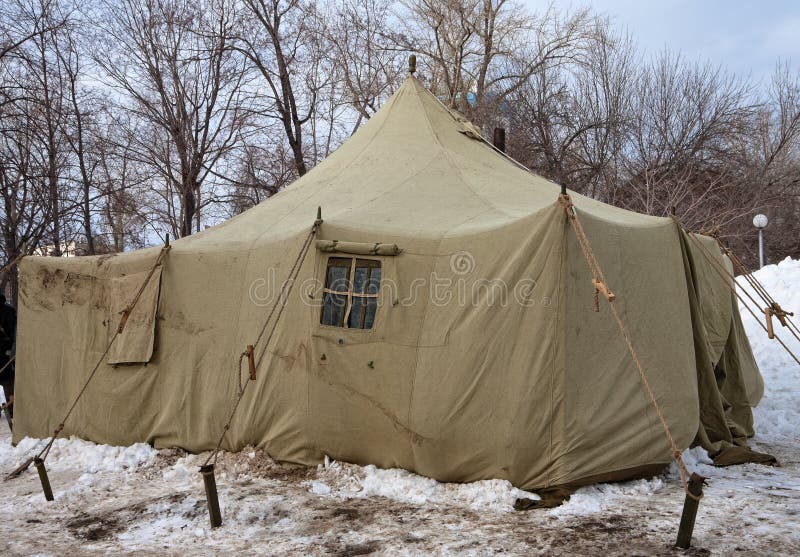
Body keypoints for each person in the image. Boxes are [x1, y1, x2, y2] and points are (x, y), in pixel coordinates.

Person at [0, 293, 16, 419]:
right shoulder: (9, 310)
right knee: (8, 382)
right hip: (4, 353)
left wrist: (12, 350)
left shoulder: (8, 311)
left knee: (8, 383)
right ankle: (12, 411)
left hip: (5, 353)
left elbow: (14, 333)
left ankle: (12, 411)